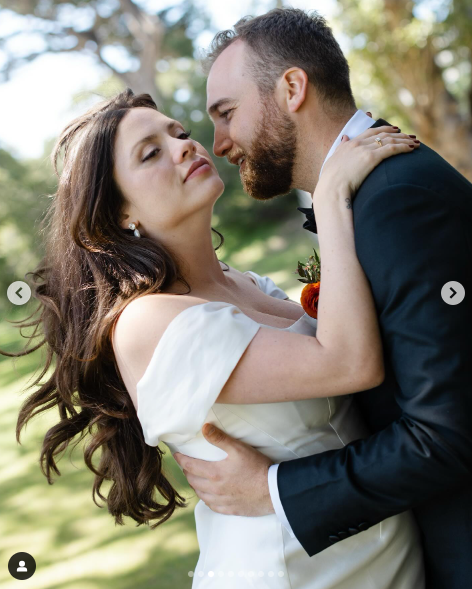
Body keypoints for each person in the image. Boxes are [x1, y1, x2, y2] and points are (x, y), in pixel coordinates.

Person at [2, 88, 422, 589]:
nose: (184, 146)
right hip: (291, 571)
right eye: (151, 153)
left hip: (371, 548)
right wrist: (329, 194)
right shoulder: (146, 323)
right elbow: (349, 362)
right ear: (120, 213)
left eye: (178, 133)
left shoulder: (244, 283)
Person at [175, 8, 472, 589]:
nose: (218, 143)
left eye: (227, 113)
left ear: (291, 88)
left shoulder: (396, 201)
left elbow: (447, 434)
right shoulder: (370, 196)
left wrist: (273, 490)